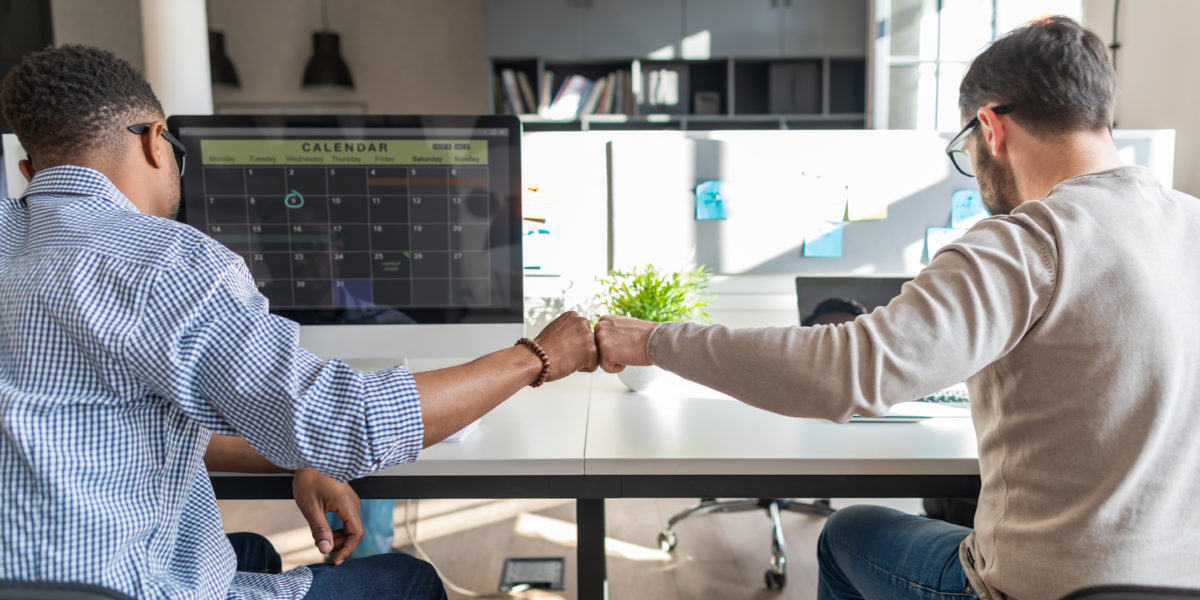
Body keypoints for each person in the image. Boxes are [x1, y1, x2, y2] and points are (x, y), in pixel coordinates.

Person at [596, 16, 1200, 600]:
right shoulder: (1191, 224)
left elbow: (845, 373)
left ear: (991, 129)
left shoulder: (1027, 243)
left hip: (1038, 592)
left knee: (846, 535)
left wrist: (652, 340)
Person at [0, 45, 597, 600]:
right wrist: (536, 357)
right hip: (132, 586)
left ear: (30, 169)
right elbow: (353, 421)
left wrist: (300, 452)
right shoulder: (168, 260)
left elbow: (119, 427)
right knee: (407, 579)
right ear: (157, 142)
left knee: (253, 549)